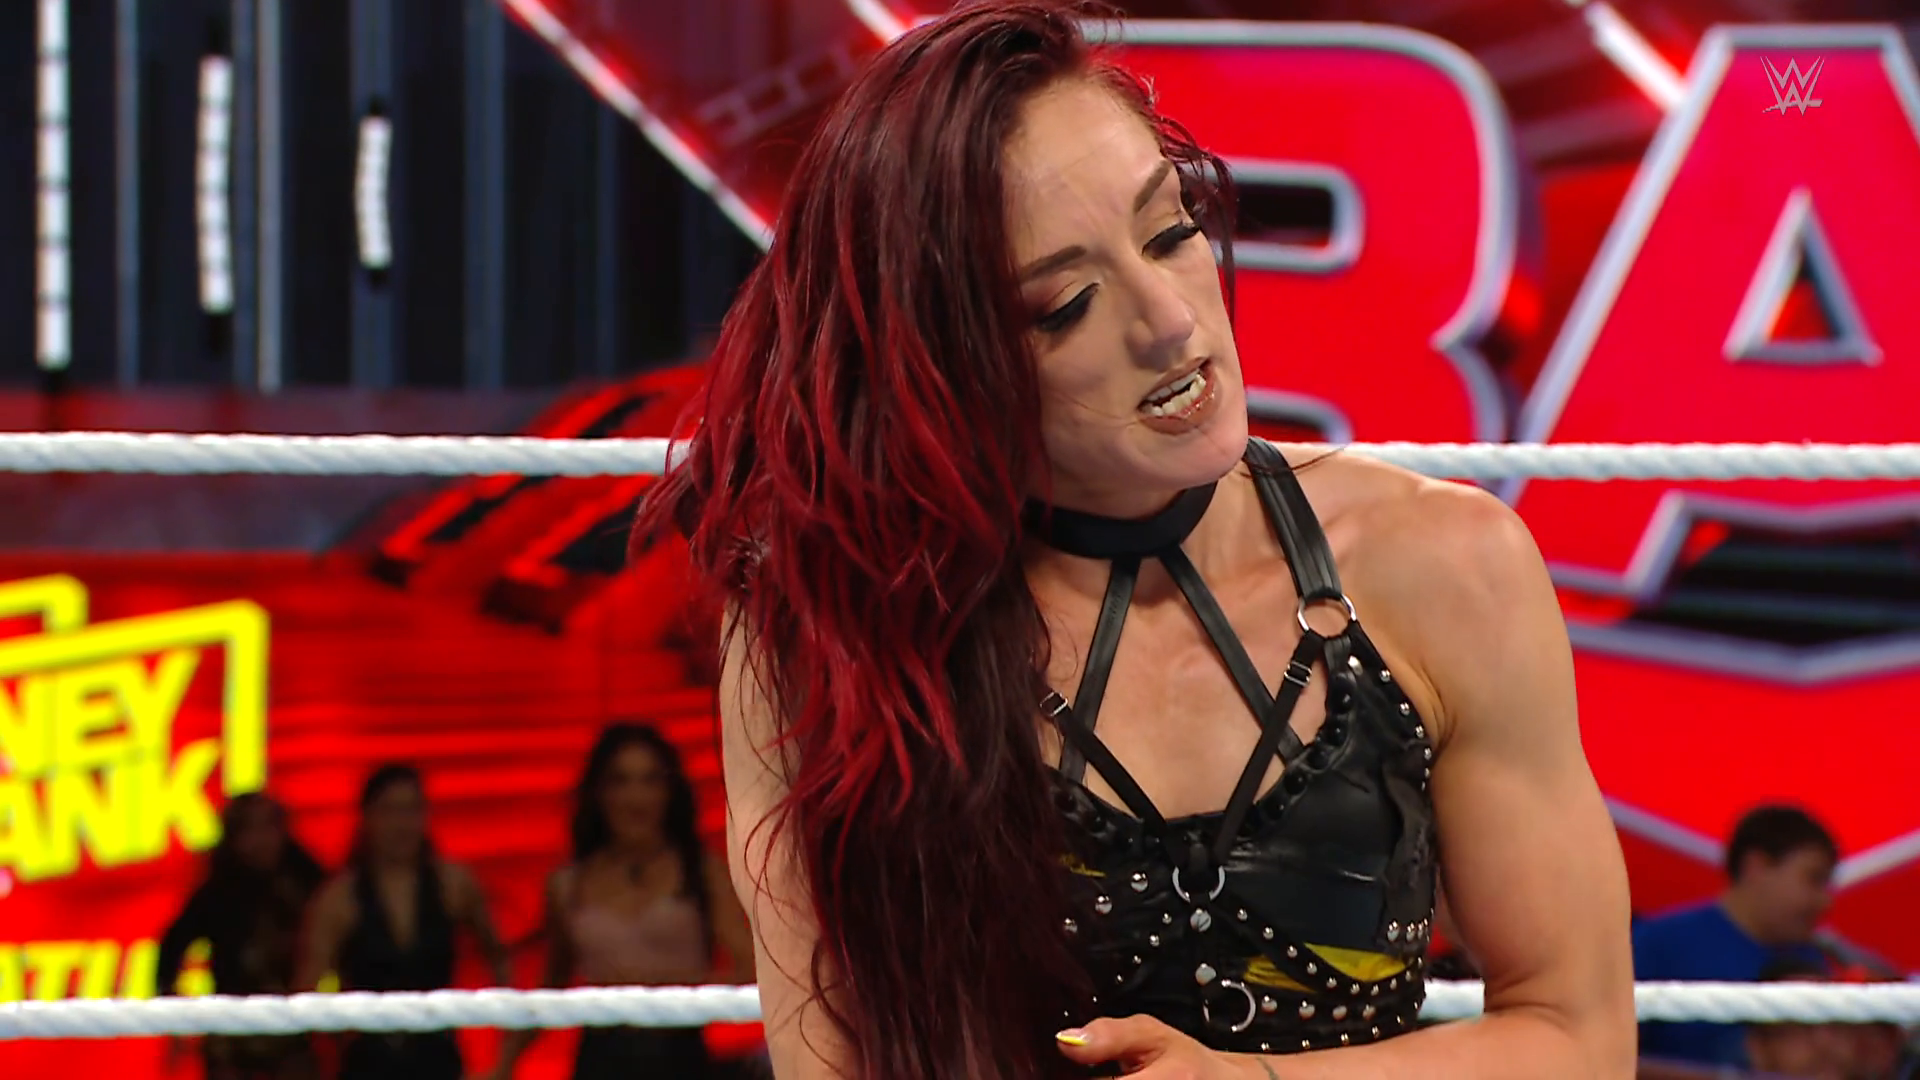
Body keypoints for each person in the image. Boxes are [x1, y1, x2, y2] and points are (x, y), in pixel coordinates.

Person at [638, 2, 1637, 1078]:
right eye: (1066, 304)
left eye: (1169, 232)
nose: (1169, 320)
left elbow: (1577, 1037)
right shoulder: (825, 628)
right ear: (937, 365)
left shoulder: (1445, 561)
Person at [485, 723, 755, 1080]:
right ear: (599, 794)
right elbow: (554, 986)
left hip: (679, 1057)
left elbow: (751, 973)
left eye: (649, 780)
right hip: (601, 1060)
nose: (635, 798)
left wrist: (669, 985)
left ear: (669, 792)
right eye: (620, 781)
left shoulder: (702, 872)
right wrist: (504, 1063)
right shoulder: (568, 885)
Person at [299, 763, 511, 1080]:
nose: (402, 824)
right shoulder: (338, 899)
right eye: (389, 811)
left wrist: (504, 1060)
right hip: (367, 1063)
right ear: (366, 817)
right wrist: (329, 1047)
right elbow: (306, 992)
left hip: (439, 1058)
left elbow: (500, 960)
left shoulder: (454, 885)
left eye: (411, 810)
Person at [1634, 804, 1838, 1069]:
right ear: (1756, 866)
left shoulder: (1814, 960)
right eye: (1814, 879)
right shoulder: (1658, 945)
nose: (1825, 901)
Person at [156, 792, 326, 1080]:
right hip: (232, 1035)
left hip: (294, 1034)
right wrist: (174, 1017)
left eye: (268, 827)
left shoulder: (307, 882)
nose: (261, 840)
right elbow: (172, 948)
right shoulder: (216, 893)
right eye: (250, 829)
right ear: (233, 837)